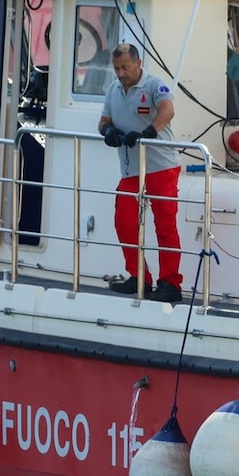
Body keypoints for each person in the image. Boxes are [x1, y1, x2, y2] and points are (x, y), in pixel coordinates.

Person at [98, 43, 183, 304]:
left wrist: (149, 132)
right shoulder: (113, 90)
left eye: (125, 67)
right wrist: (108, 132)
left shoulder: (154, 85)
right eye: (116, 68)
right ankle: (139, 278)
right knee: (124, 221)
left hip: (161, 166)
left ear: (138, 63)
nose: (121, 73)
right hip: (131, 168)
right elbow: (104, 121)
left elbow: (168, 110)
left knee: (165, 225)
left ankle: (170, 282)